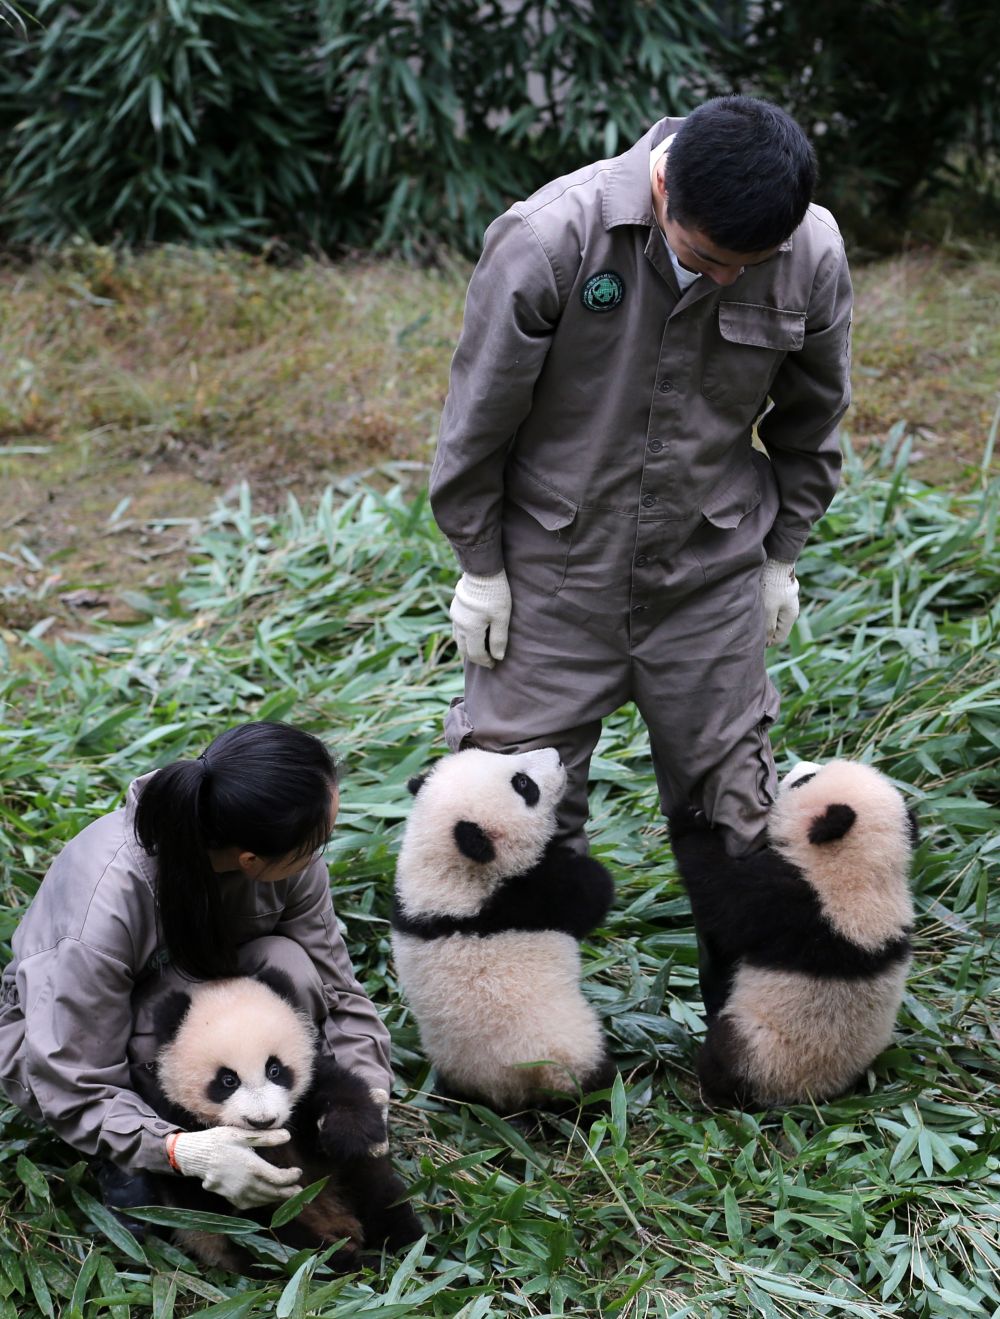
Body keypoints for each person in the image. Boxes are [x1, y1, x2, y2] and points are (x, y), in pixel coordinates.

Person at [430, 95, 852, 857]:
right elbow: (477, 423)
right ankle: (523, 979)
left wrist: (783, 553)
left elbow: (812, 419)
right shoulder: (550, 239)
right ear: (664, 190)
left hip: (709, 570)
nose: (726, 278)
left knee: (739, 826)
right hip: (552, 574)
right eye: (707, 255)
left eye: (747, 266)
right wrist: (479, 566)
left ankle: (748, 980)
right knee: (509, 826)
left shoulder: (812, 254)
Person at [0, 721, 393, 1222]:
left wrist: (363, 1094)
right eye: (318, 841)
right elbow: (70, 1076)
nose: (320, 852)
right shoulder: (101, 908)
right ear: (251, 860)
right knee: (170, 1036)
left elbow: (335, 988)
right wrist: (178, 1152)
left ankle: (277, 1108)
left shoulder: (283, 849)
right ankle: (133, 1155)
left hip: (208, 997)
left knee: (288, 964)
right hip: (79, 1042)